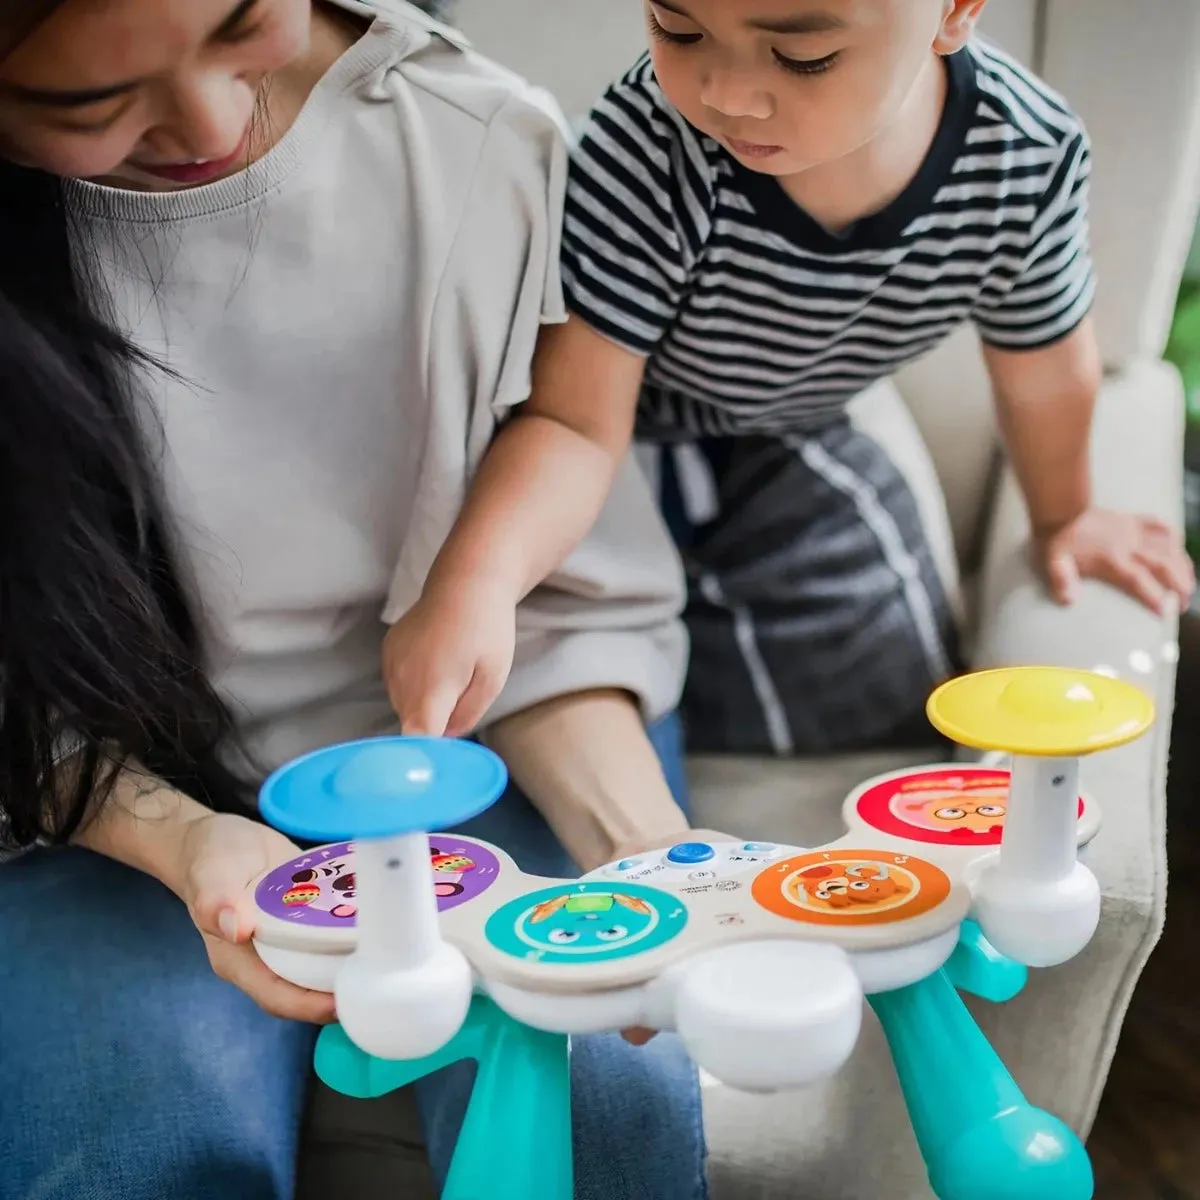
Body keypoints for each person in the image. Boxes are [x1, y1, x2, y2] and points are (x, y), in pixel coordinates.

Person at [0, 2, 712, 1197]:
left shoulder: (471, 143)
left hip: (490, 743)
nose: (213, 122)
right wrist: (180, 846)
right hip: (86, 795)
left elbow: (558, 602)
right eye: (88, 104)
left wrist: (654, 860)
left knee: (609, 1105)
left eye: (240, 22)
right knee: (134, 1161)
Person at [384, 0, 1195, 755]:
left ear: (953, 12)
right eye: (679, 29)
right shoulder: (649, 143)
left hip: (792, 428)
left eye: (803, 56)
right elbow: (574, 425)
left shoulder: (1025, 149)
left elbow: (1044, 375)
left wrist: (1066, 518)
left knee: (891, 679)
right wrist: (477, 583)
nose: (728, 94)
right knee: (572, 654)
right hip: (623, 444)